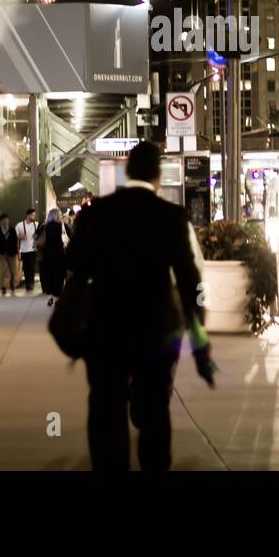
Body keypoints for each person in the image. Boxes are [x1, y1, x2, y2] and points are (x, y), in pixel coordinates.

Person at [65, 141, 217, 471]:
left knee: (107, 413)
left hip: (106, 332)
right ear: (158, 176)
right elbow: (191, 281)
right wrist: (200, 336)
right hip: (156, 333)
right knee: (154, 415)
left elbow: (74, 262)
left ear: (127, 171)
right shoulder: (171, 217)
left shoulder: (97, 212)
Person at [38, 208, 67, 306]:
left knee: (49, 276)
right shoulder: (63, 226)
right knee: (59, 277)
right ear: (58, 216)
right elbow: (72, 238)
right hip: (60, 256)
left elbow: (36, 239)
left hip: (47, 256)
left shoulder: (44, 227)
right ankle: (57, 297)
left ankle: (50, 297)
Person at [0, 212, 19, 297]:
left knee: (13, 271)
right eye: (4, 220)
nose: (6, 221)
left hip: (12, 253)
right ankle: (2, 287)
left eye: (7, 220)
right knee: (2, 270)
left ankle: (13, 286)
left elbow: (15, 241)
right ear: (1, 221)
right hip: (1, 253)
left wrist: (17, 252)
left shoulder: (12, 229)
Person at [16, 207, 39, 294]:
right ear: (28, 215)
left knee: (32, 267)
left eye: (35, 215)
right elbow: (14, 236)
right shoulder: (19, 225)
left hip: (33, 249)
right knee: (25, 268)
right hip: (24, 250)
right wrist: (20, 237)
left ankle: (31, 284)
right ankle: (27, 284)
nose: (34, 217)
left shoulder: (36, 224)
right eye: (33, 215)